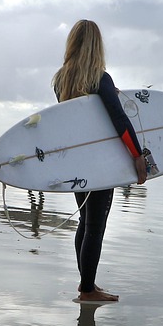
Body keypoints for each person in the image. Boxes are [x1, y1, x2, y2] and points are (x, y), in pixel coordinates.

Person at [53, 19, 148, 303]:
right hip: (101, 164)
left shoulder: (61, 79)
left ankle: (86, 284)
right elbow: (118, 120)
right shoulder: (100, 78)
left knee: (86, 221)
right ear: (97, 45)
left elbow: (82, 118)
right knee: (96, 226)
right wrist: (138, 155)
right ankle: (87, 289)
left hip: (77, 162)